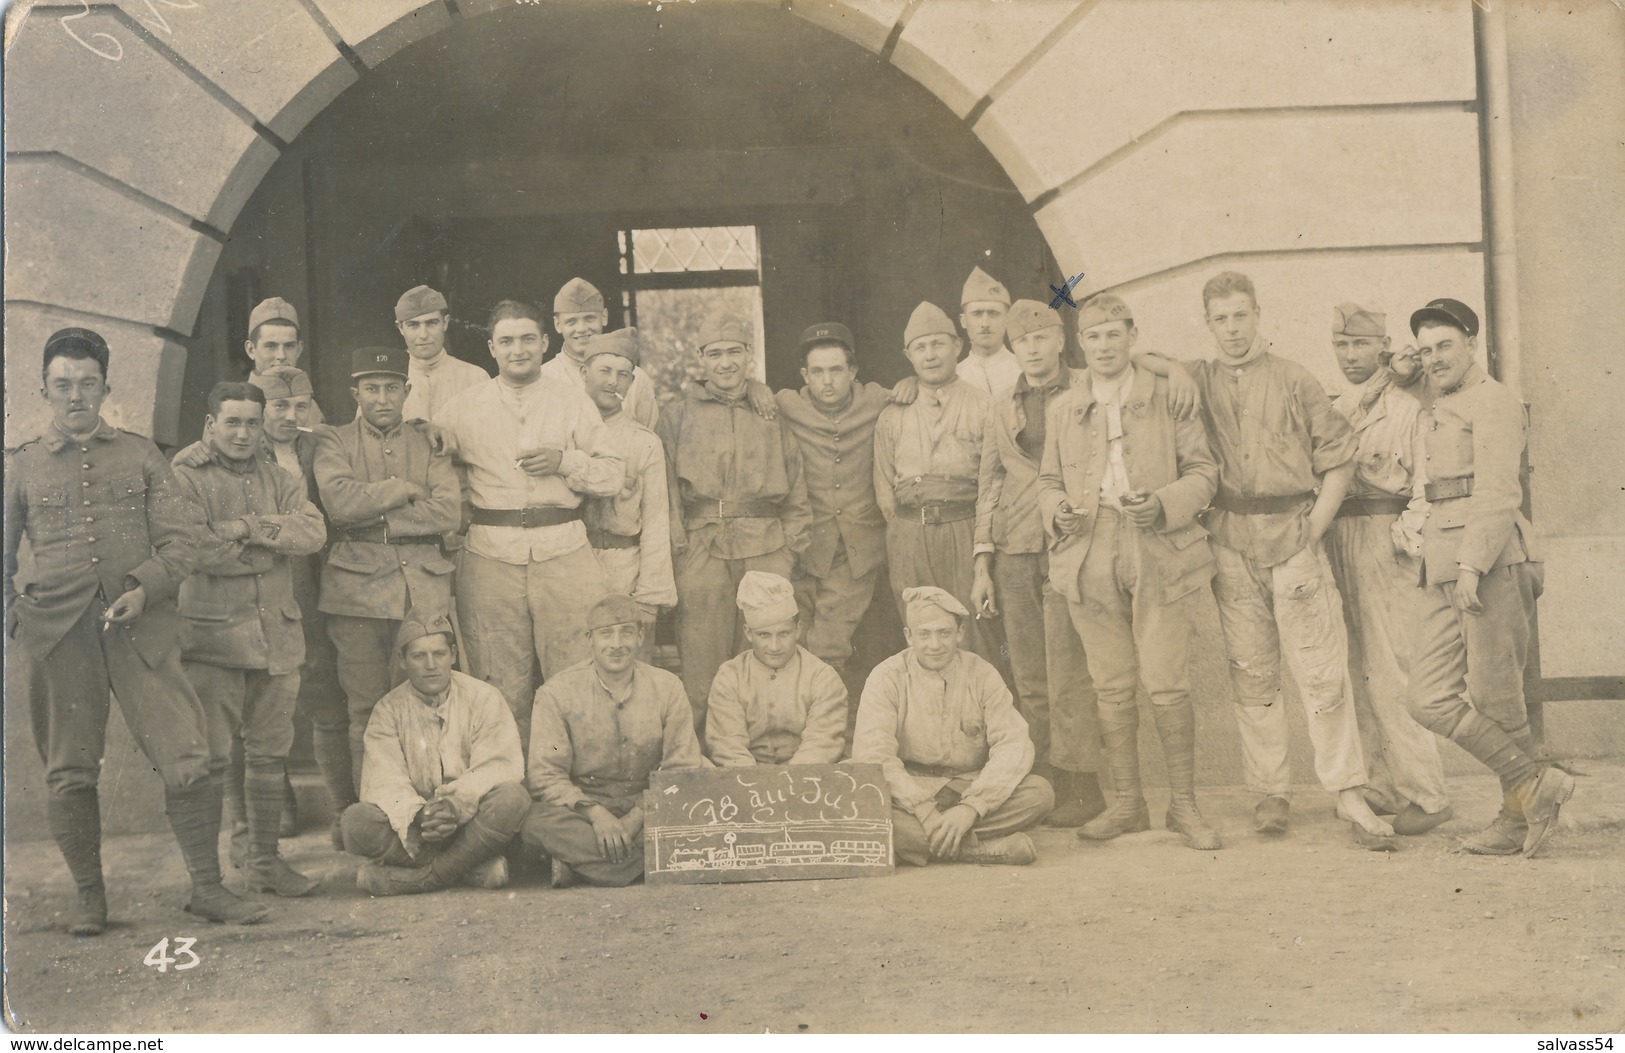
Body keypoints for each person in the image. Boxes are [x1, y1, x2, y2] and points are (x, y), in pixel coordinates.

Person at [5, 327, 267, 931]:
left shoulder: (141, 454)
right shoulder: (19, 466)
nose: (76, 396)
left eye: (87, 384)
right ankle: (89, 899)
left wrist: (145, 588)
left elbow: (183, 544)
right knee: (69, 768)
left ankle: (207, 888)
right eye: (63, 385)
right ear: (44, 389)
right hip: (60, 637)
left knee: (187, 755)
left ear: (106, 388)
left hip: (141, 630)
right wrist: (16, 615)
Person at [1185, 271, 1395, 848]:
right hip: (1230, 541)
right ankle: (1269, 791)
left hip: (1292, 541)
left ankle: (1347, 791)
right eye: (1221, 319)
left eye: (1241, 316)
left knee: (1320, 669)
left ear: (1258, 316)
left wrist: (1312, 529)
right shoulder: (1196, 380)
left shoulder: (1294, 379)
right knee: (1252, 673)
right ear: (1208, 324)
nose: (1232, 329)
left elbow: (1340, 457)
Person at [1037, 294, 1223, 850]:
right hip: (1087, 552)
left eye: (1114, 334)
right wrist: (1057, 511)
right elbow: (1047, 481)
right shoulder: (1063, 408)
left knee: (1166, 680)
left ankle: (1184, 806)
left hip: (1156, 547)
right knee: (1111, 683)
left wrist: (1164, 502)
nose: (1103, 345)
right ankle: (1127, 803)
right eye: (1092, 337)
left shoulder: (1168, 394)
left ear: (1133, 335)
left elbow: (1204, 471)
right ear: (1080, 344)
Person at [1406, 298, 1573, 857]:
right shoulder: (1435, 401)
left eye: (1444, 345)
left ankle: (1513, 820)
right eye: (1424, 350)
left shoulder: (1495, 401)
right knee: (1428, 697)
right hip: (1442, 558)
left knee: (1497, 696)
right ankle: (1535, 783)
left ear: (1471, 342)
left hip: (1491, 557)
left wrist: (1472, 564)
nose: (1433, 359)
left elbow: (1500, 490)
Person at [437, 300, 621, 743]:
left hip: (565, 551)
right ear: (491, 348)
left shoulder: (572, 402)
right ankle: (508, 784)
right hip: (490, 554)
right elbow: (428, 458)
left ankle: (570, 783)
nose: (517, 349)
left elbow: (614, 475)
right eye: (506, 341)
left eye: (526, 339)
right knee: (497, 677)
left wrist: (564, 462)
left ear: (544, 342)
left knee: (575, 671)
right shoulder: (463, 407)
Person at [173, 382, 327, 896]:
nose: (242, 433)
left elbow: (311, 534)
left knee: (268, 753)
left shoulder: (281, 478)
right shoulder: (186, 475)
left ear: (263, 427)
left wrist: (246, 526)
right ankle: (212, 879)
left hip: (277, 638)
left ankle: (264, 862)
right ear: (211, 424)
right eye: (232, 422)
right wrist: (270, 544)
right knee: (214, 758)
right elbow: (195, 548)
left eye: (252, 423)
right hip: (215, 640)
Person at [970, 299, 1106, 827]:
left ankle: (1083, 782)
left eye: (1042, 336)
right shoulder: (1002, 405)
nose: (1031, 346)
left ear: (1059, 339)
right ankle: (1045, 776)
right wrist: (983, 560)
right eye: (1021, 340)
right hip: (1013, 551)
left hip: (1070, 546)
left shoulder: (1086, 393)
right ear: (1012, 347)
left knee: (1070, 670)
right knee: (1028, 674)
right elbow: (990, 482)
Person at [1323, 303, 1452, 835]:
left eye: (1361, 345)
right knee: (1352, 667)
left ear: (1383, 346)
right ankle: (1378, 784)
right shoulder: (1343, 407)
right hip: (1337, 536)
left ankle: (1426, 791)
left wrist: (1407, 537)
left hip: (1383, 538)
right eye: (1342, 345)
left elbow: (1428, 482)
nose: (1350, 355)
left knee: (1390, 668)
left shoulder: (1407, 407)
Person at [311, 346, 462, 790]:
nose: (382, 398)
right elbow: (338, 504)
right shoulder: (333, 441)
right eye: (371, 388)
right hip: (356, 593)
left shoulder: (428, 442)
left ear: (407, 391)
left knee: (429, 701)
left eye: (392, 388)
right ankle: (374, 812)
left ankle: (429, 805)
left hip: (422, 590)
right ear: (355, 392)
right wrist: (402, 489)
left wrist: (377, 508)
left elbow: (448, 512)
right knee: (367, 708)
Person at [656, 313, 812, 737]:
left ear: (749, 356)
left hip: (766, 547)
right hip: (701, 547)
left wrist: (788, 550)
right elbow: (665, 487)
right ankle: (703, 756)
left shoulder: (772, 413)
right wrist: (679, 547)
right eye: (715, 354)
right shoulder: (676, 416)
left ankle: (764, 751)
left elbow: (797, 486)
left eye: (734, 352)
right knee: (702, 659)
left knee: (766, 654)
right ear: (700, 360)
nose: (725, 363)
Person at [852, 587, 1053, 866]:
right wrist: (922, 808)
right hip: (909, 788)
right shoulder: (886, 677)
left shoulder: (982, 673)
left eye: (944, 633)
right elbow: (874, 754)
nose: (934, 644)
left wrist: (973, 806)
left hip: (966, 785)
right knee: (858, 800)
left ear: (959, 633)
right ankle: (974, 850)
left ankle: (928, 842)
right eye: (924, 634)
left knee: (1039, 794)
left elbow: (1013, 744)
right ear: (909, 636)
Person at [523, 594, 709, 887]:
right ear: (590, 639)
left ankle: (585, 865)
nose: (617, 643)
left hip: (648, 803)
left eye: (626, 632)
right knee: (533, 821)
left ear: (640, 636)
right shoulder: (557, 692)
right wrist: (597, 815)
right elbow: (545, 775)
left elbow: (681, 766)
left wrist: (638, 815)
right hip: (586, 806)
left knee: (701, 805)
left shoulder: (667, 686)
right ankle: (650, 863)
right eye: (606, 633)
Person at [342, 611, 529, 895]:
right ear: (403, 661)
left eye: (439, 654)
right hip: (418, 829)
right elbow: (384, 779)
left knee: (513, 799)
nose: (431, 665)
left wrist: (454, 805)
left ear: (453, 654)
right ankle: (469, 870)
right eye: (418, 656)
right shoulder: (388, 709)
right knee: (355, 822)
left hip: (470, 820)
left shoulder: (483, 697)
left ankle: (420, 880)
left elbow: (498, 766)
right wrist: (420, 815)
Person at [873, 301, 1005, 668]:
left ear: (957, 346)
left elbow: (992, 483)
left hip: (963, 530)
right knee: (919, 629)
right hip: (908, 536)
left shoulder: (984, 405)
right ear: (908, 354)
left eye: (938, 344)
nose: (930, 355)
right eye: (920, 347)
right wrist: (906, 532)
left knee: (973, 631)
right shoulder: (892, 413)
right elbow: (884, 489)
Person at [774, 322, 891, 696]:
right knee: (791, 638)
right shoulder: (784, 405)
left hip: (857, 549)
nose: (827, 381)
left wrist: (911, 387)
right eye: (818, 372)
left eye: (836, 370)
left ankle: (826, 728)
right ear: (805, 375)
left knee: (829, 644)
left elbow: (921, 387)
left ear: (853, 371)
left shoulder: (879, 400)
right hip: (804, 546)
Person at [578, 328, 677, 647]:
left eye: (623, 375)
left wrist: (649, 597)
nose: (612, 381)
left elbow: (657, 522)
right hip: (572, 564)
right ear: (584, 373)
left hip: (625, 566)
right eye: (604, 371)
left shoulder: (643, 442)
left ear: (632, 383)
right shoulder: (564, 429)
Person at [705, 571, 847, 766]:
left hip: (807, 775)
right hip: (745, 777)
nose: (774, 646)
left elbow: (822, 744)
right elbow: (728, 746)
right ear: (748, 633)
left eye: (783, 634)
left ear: (797, 629)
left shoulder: (822, 677)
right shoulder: (730, 676)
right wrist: (756, 785)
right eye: (764, 635)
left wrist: (786, 783)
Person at [540, 277, 660, 429]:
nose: (582, 328)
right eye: (572, 321)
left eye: (589, 319)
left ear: (604, 317)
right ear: (558, 324)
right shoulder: (544, 377)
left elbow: (650, 437)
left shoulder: (635, 378)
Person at [395, 285, 489, 424]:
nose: (423, 335)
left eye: (431, 323)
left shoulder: (475, 378)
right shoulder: (387, 381)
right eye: (413, 325)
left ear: (445, 323)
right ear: (401, 328)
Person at [243, 297, 325, 424]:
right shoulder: (235, 404)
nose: (281, 355)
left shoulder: (310, 407)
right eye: (270, 346)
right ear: (251, 350)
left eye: (289, 346)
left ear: (299, 349)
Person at [954, 267, 1021, 397]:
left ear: (1007, 319)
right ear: (963, 321)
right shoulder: (954, 376)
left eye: (993, 313)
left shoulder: (1024, 369)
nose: (985, 323)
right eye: (977, 314)